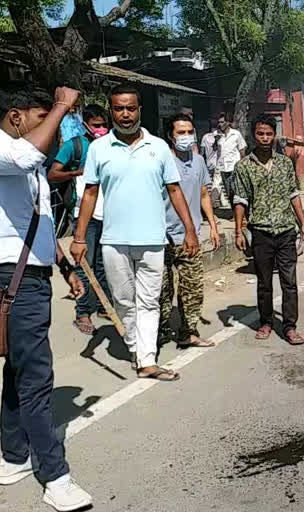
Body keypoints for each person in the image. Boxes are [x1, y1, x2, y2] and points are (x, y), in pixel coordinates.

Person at [0, 85, 93, 510]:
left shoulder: (26, 162)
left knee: (19, 374)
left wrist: (65, 267)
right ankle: (55, 477)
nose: (52, 132)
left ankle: (13, 455)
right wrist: (60, 106)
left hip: (29, 276)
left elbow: (36, 222)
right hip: (11, 281)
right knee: (37, 379)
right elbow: (29, 155)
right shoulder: (9, 150)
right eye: (43, 120)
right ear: (17, 117)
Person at [71, 83, 200, 382]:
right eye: (119, 108)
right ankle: (136, 346)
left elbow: (174, 189)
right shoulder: (98, 149)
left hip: (153, 240)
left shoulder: (157, 148)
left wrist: (190, 230)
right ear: (111, 110)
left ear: (139, 110)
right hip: (113, 240)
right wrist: (79, 238)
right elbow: (89, 193)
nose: (125, 114)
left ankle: (146, 358)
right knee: (124, 300)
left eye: (131, 108)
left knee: (149, 300)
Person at [233, 114, 304, 345]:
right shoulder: (244, 166)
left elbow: (293, 194)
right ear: (253, 135)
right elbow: (240, 199)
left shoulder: (285, 163)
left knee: (289, 281)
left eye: (269, 134)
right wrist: (239, 231)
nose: (265, 138)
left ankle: (289, 327)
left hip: (286, 231)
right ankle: (266, 322)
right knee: (264, 282)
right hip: (261, 232)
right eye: (260, 134)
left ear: (274, 135)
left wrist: (303, 224)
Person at [48, 104, 113, 335]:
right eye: (97, 125)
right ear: (85, 124)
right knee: (84, 264)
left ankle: (106, 306)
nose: (102, 129)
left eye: (105, 125)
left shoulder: (110, 145)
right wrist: (77, 172)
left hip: (109, 212)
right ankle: (83, 312)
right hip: (84, 214)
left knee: (104, 263)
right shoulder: (74, 146)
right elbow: (53, 173)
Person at [158, 113, 220, 349]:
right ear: (170, 136)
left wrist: (212, 225)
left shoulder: (198, 161)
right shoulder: (162, 162)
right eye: (180, 132)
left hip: (190, 237)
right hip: (162, 237)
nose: (186, 137)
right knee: (163, 290)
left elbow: (204, 194)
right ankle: (161, 332)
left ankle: (189, 332)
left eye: (189, 132)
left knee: (192, 288)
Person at [200, 112, 247, 209]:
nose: (220, 124)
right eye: (219, 122)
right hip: (221, 166)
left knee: (235, 190)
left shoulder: (236, 134)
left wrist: (243, 165)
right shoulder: (217, 135)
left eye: (222, 122)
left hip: (234, 166)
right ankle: (212, 208)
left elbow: (242, 150)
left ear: (228, 123)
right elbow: (214, 150)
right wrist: (216, 141)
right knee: (223, 189)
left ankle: (238, 213)